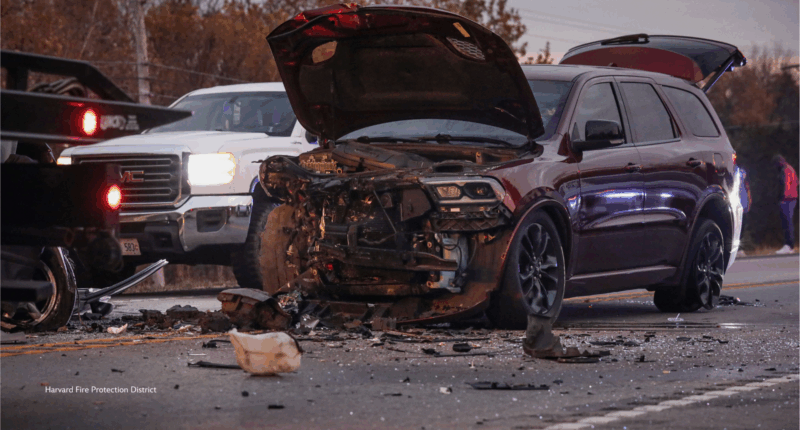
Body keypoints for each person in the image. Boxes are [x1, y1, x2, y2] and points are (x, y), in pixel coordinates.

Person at [774, 155, 798, 254]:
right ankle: (789, 245)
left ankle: (789, 245)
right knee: (788, 222)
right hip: (792, 198)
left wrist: (782, 198)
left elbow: (785, 184)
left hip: (787, 199)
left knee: (787, 222)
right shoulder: (791, 168)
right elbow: (797, 182)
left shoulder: (785, 170)